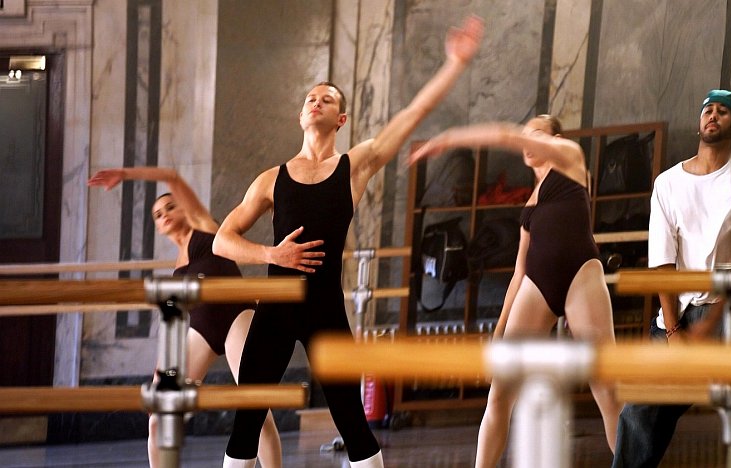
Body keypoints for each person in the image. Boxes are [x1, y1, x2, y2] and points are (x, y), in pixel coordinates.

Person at [212, 15, 484, 468]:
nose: (315, 102)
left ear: (340, 119)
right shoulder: (270, 179)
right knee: (245, 424)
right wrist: (271, 254)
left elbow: (410, 116)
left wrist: (454, 64)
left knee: (353, 424)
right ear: (301, 116)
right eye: (310, 98)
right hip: (276, 307)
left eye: (326, 99)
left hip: (325, 308)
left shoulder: (354, 166)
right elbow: (222, 240)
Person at [409, 114, 623, 466]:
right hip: (537, 286)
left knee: (607, 388)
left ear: (555, 139)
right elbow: (520, 271)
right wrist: (499, 330)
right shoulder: (530, 204)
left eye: (536, 134)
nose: (527, 141)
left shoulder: (571, 158)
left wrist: (451, 136)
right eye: (526, 136)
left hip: (581, 277)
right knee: (499, 393)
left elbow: (504, 134)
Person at [87, 167, 282, 468]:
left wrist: (124, 174)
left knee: (256, 406)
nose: (164, 215)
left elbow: (172, 177)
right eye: (157, 214)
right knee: (158, 416)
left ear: (184, 207)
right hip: (201, 331)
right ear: (157, 227)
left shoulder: (205, 227)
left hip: (238, 317)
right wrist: (161, 368)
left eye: (170, 207)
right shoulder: (177, 268)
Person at [611, 89, 731, 467]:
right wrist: (672, 331)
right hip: (676, 313)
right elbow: (662, 262)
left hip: (722, 312)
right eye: (708, 110)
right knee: (640, 411)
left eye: (723, 111)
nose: (713, 115)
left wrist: (708, 327)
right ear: (699, 123)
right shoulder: (668, 183)